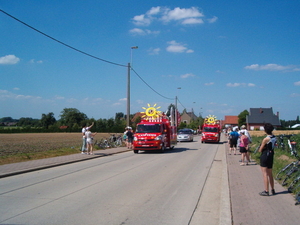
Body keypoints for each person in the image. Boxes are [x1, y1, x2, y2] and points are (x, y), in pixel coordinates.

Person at [258, 123, 276, 196]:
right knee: (270, 173)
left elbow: (260, 149)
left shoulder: (266, 139)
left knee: (265, 174)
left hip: (265, 154)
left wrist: (262, 147)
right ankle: (272, 189)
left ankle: (266, 190)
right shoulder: (274, 137)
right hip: (271, 154)